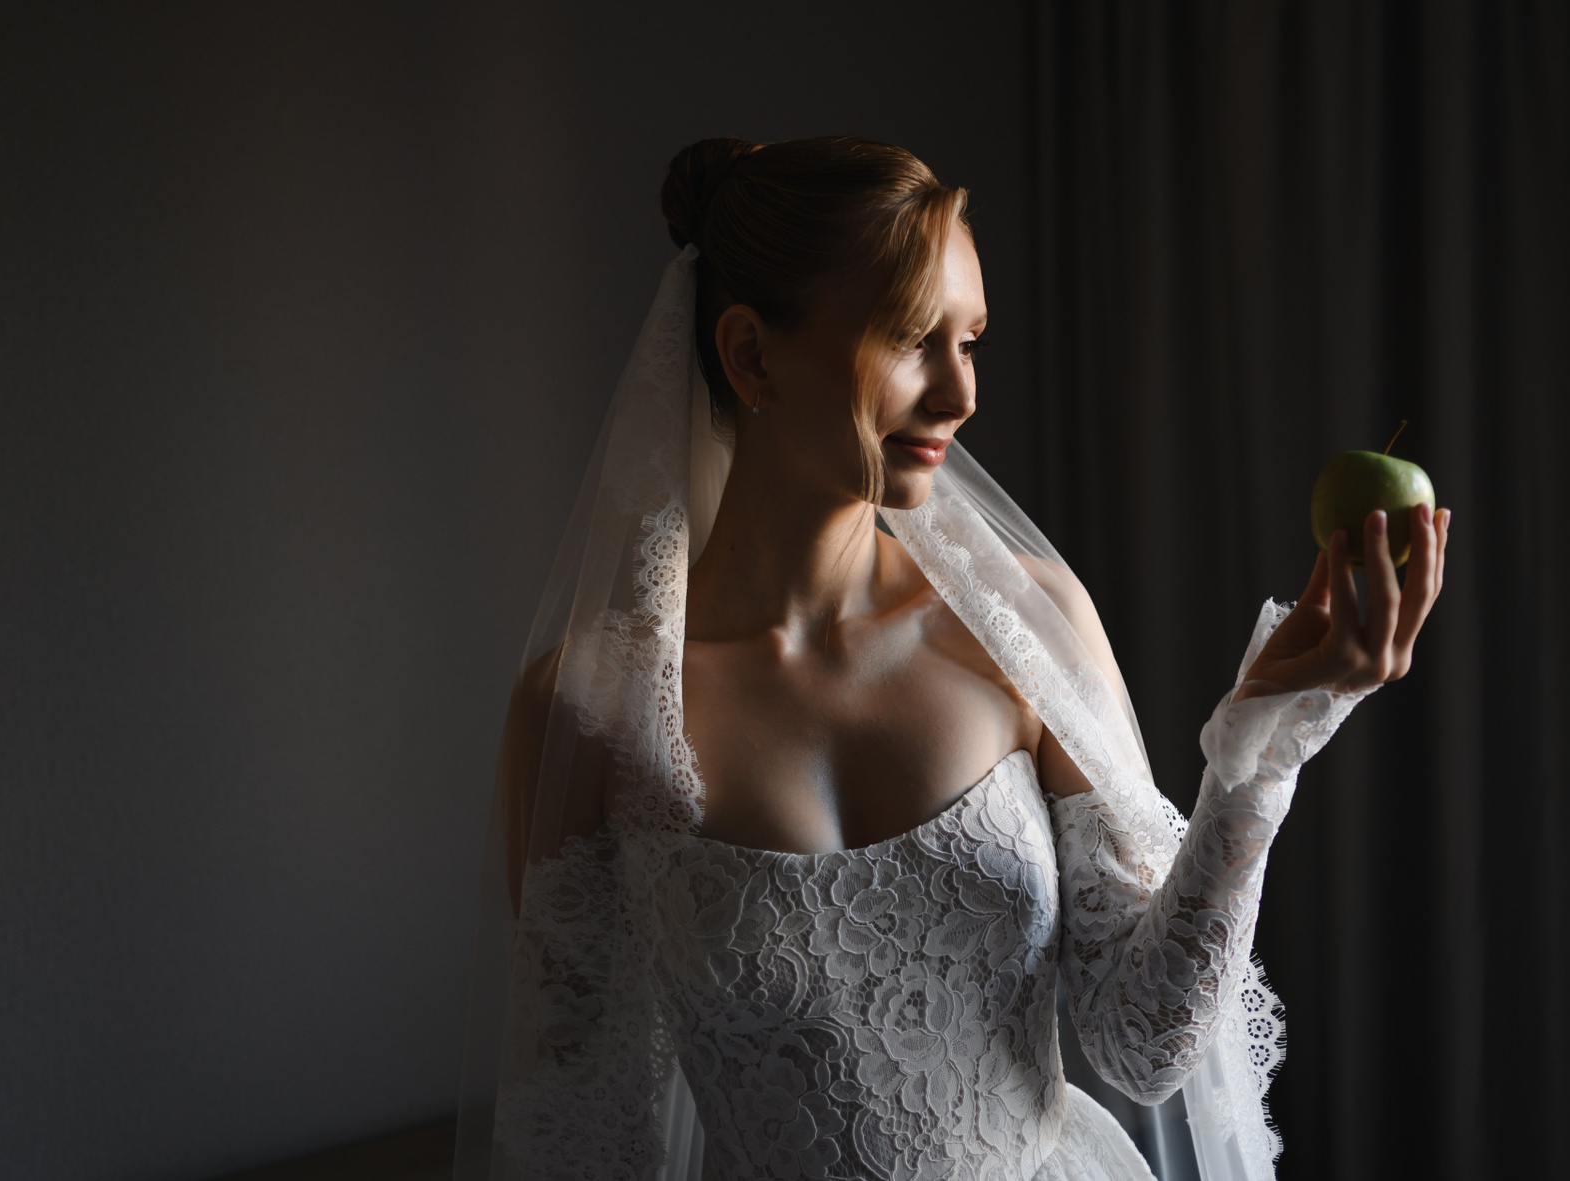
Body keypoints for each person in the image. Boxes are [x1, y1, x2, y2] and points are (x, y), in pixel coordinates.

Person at [453, 136, 1449, 1181]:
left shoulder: (1023, 621)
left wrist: (1261, 753)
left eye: (970, 341)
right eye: (910, 339)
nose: (961, 392)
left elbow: (1144, 1042)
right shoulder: (588, 708)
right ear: (751, 355)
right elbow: (580, 1137)